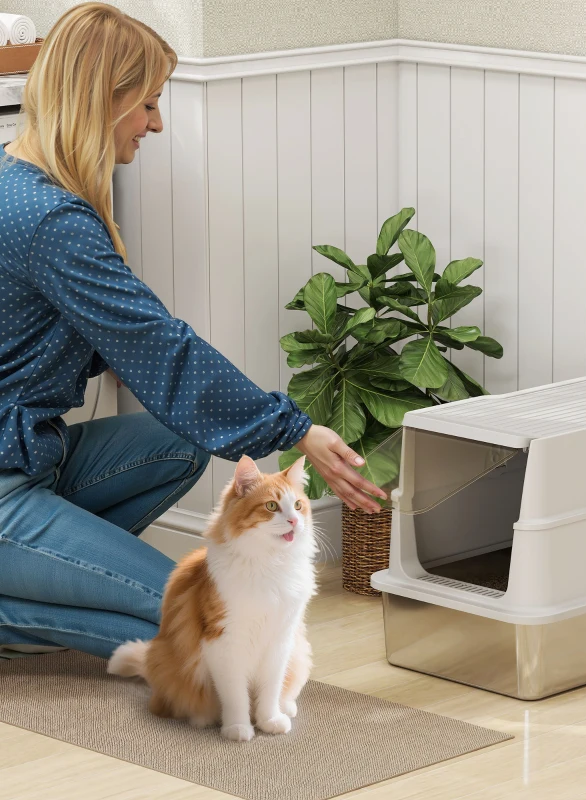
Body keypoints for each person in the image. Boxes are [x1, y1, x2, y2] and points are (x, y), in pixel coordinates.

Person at [0, 3, 385, 660]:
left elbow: (145, 347)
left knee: (177, 442)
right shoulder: (49, 220)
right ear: (102, 99)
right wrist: (296, 430)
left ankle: (40, 584)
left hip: (31, 456)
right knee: (210, 623)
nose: (156, 122)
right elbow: (160, 348)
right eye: (147, 103)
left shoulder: (25, 182)